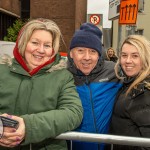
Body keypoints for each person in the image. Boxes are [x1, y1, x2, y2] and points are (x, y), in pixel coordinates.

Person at [0, 18, 83, 150]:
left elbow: (73, 112)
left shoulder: (62, 77)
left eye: (47, 45)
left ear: (52, 49)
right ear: (23, 43)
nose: (41, 50)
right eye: (35, 43)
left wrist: (29, 126)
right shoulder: (2, 71)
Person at [67, 22, 122, 150]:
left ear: (99, 54)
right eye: (80, 51)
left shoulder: (115, 71)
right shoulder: (62, 76)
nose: (87, 57)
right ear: (71, 53)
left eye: (92, 51)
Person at [109, 35, 150, 150]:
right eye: (124, 55)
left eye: (135, 56)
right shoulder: (129, 83)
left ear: (145, 58)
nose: (127, 61)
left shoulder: (143, 92)